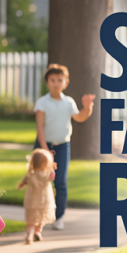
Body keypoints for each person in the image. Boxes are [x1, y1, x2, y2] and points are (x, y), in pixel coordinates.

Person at [34, 64, 95, 231]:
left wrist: (87, 107)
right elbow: (40, 128)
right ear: (47, 82)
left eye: (59, 80)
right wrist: (46, 151)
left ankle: (58, 217)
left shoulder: (69, 102)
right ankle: (38, 219)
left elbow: (80, 117)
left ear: (65, 83)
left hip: (62, 147)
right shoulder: (42, 103)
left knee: (60, 182)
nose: (56, 83)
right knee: (40, 182)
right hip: (43, 146)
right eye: (52, 80)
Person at [18, 148, 56, 244]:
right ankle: (38, 232)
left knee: (30, 220)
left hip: (31, 201)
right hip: (44, 201)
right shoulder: (45, 175)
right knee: (41, 219)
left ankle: (29, 235)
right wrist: (52, 170)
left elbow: (24, 181)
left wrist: (21, 185)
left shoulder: (30, 174)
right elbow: (52, 177)